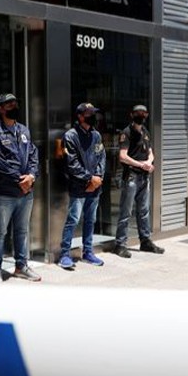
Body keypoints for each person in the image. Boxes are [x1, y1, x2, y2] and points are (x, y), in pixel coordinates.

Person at [0, 93, 41, 283]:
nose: (14, 107)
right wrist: (21, 180)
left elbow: (33, 154)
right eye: (9, 105)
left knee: (22, 231)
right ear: (0, 108)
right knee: (0, 232)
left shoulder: (23, 130)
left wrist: (31, 176)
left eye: (15, 103)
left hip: (26, 192)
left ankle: (21, 266)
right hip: (4, 193)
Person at [112, 105, 165, 258]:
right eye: (138, 113)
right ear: (132, 114)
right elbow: (122, 156)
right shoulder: (126, 133)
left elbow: (151, 153)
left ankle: (145, 241)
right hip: (131, 177)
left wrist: (149, 162)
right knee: (126, 211)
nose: (141, 116)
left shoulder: (145, 132)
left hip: (143, 177)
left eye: (144, 113)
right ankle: (120, 244)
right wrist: (142, 164)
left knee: (144, 211)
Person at [58, 103, 106, 269]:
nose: (93, 116)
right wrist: (89, 179)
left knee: (90, 220)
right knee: (73, 220)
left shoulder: (96, 135)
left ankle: (88, 252)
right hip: (79, 186)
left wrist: (98, 178)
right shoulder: (70, 136)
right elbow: (72, 164)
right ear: (80, 116)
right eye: (89, 113)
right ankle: (64, 254)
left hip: (95, 187)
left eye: (94, 113)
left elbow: (101, 157)